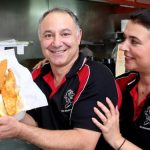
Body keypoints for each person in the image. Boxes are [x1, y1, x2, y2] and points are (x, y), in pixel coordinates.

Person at [0, 8, 118, 150]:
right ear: (41, 39)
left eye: (65, 34)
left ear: (78, 36)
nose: (56, 43)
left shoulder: (96, 76)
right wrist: (8, 112)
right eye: (48, 35)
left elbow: (85, 143)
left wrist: (20, 131)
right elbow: (34, 122)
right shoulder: (37, 74)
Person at [92, 9, 150, 150]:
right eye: (124, 39)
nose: (122, 47)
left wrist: (117, 140)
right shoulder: (122, 83)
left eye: (134, 42)